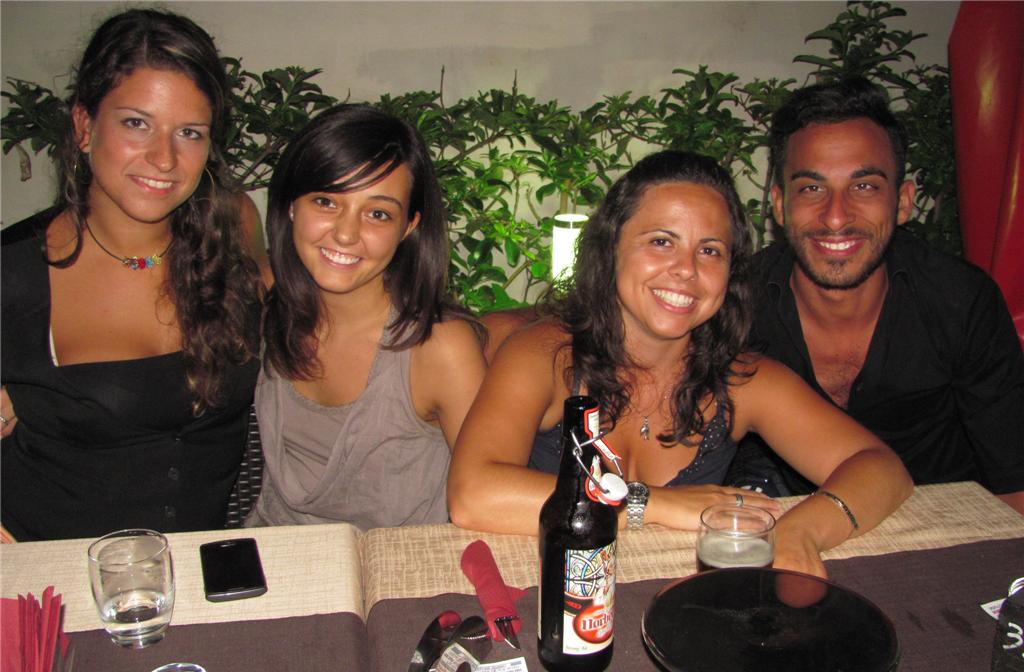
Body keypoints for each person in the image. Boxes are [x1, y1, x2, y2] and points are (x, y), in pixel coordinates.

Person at [449, 150, 912, 577]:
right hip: (550, 601)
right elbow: (472, 495)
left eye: (710, 251)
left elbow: (881, 469)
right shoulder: (546, 355)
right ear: (611, 248)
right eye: (661, 241)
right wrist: (649, 504)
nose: (687, 269)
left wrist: (799, 531)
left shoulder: (743, 380)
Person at [0, 9, 263, 541]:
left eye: (188, 132)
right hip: (50, 566)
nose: (164, 158)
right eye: (136, 123)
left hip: (200, 565)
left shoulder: (232, 227)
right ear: (84, 126)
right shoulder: (16, 271)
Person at [728, 77, 1024, 514]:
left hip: (937, 527)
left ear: (902, 202)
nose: (835, 217)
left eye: (864, 186)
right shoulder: (736, 304)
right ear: (778, 204)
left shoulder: (960, 303)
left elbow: (1014, 482)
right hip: (789, 522)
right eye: (811, 188)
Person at [246, 104, 486, 530]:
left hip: (395, 569)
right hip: (269, 558)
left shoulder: (439, 348)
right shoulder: (266, 299)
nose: (345, 233)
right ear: (290, 205)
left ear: (409, 226)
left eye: (378, 213)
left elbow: (488, 496)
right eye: (325, 201)